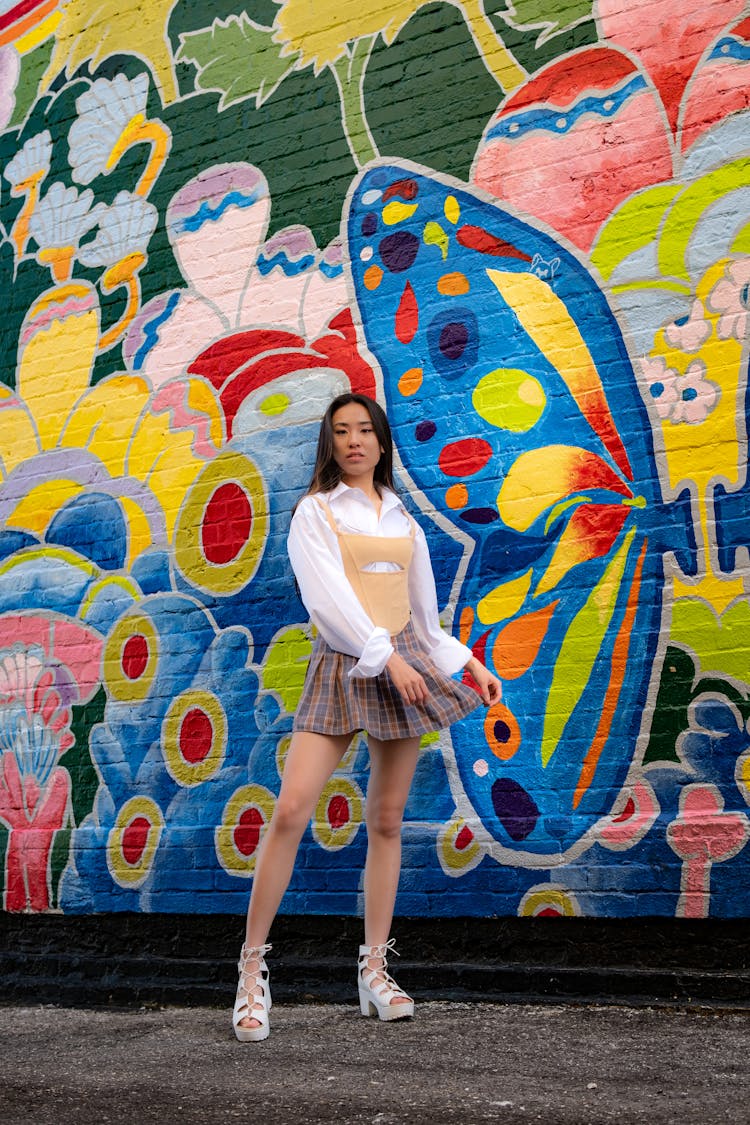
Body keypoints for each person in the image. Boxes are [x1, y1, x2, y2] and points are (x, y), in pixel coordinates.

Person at [233, 393, 502, 1042]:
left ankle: (375, 970)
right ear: (330, 445)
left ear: (382, 443)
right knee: (293, 808)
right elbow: (328, 603)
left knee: (386, 821)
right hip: (350, 665)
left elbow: (426, 620)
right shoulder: (315, 512)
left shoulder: (404, 520)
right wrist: (385, 658)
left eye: (365, 430)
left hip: (406, 663)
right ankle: (249, 973)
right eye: (341, 431)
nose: (354, 440)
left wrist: (469, 664)